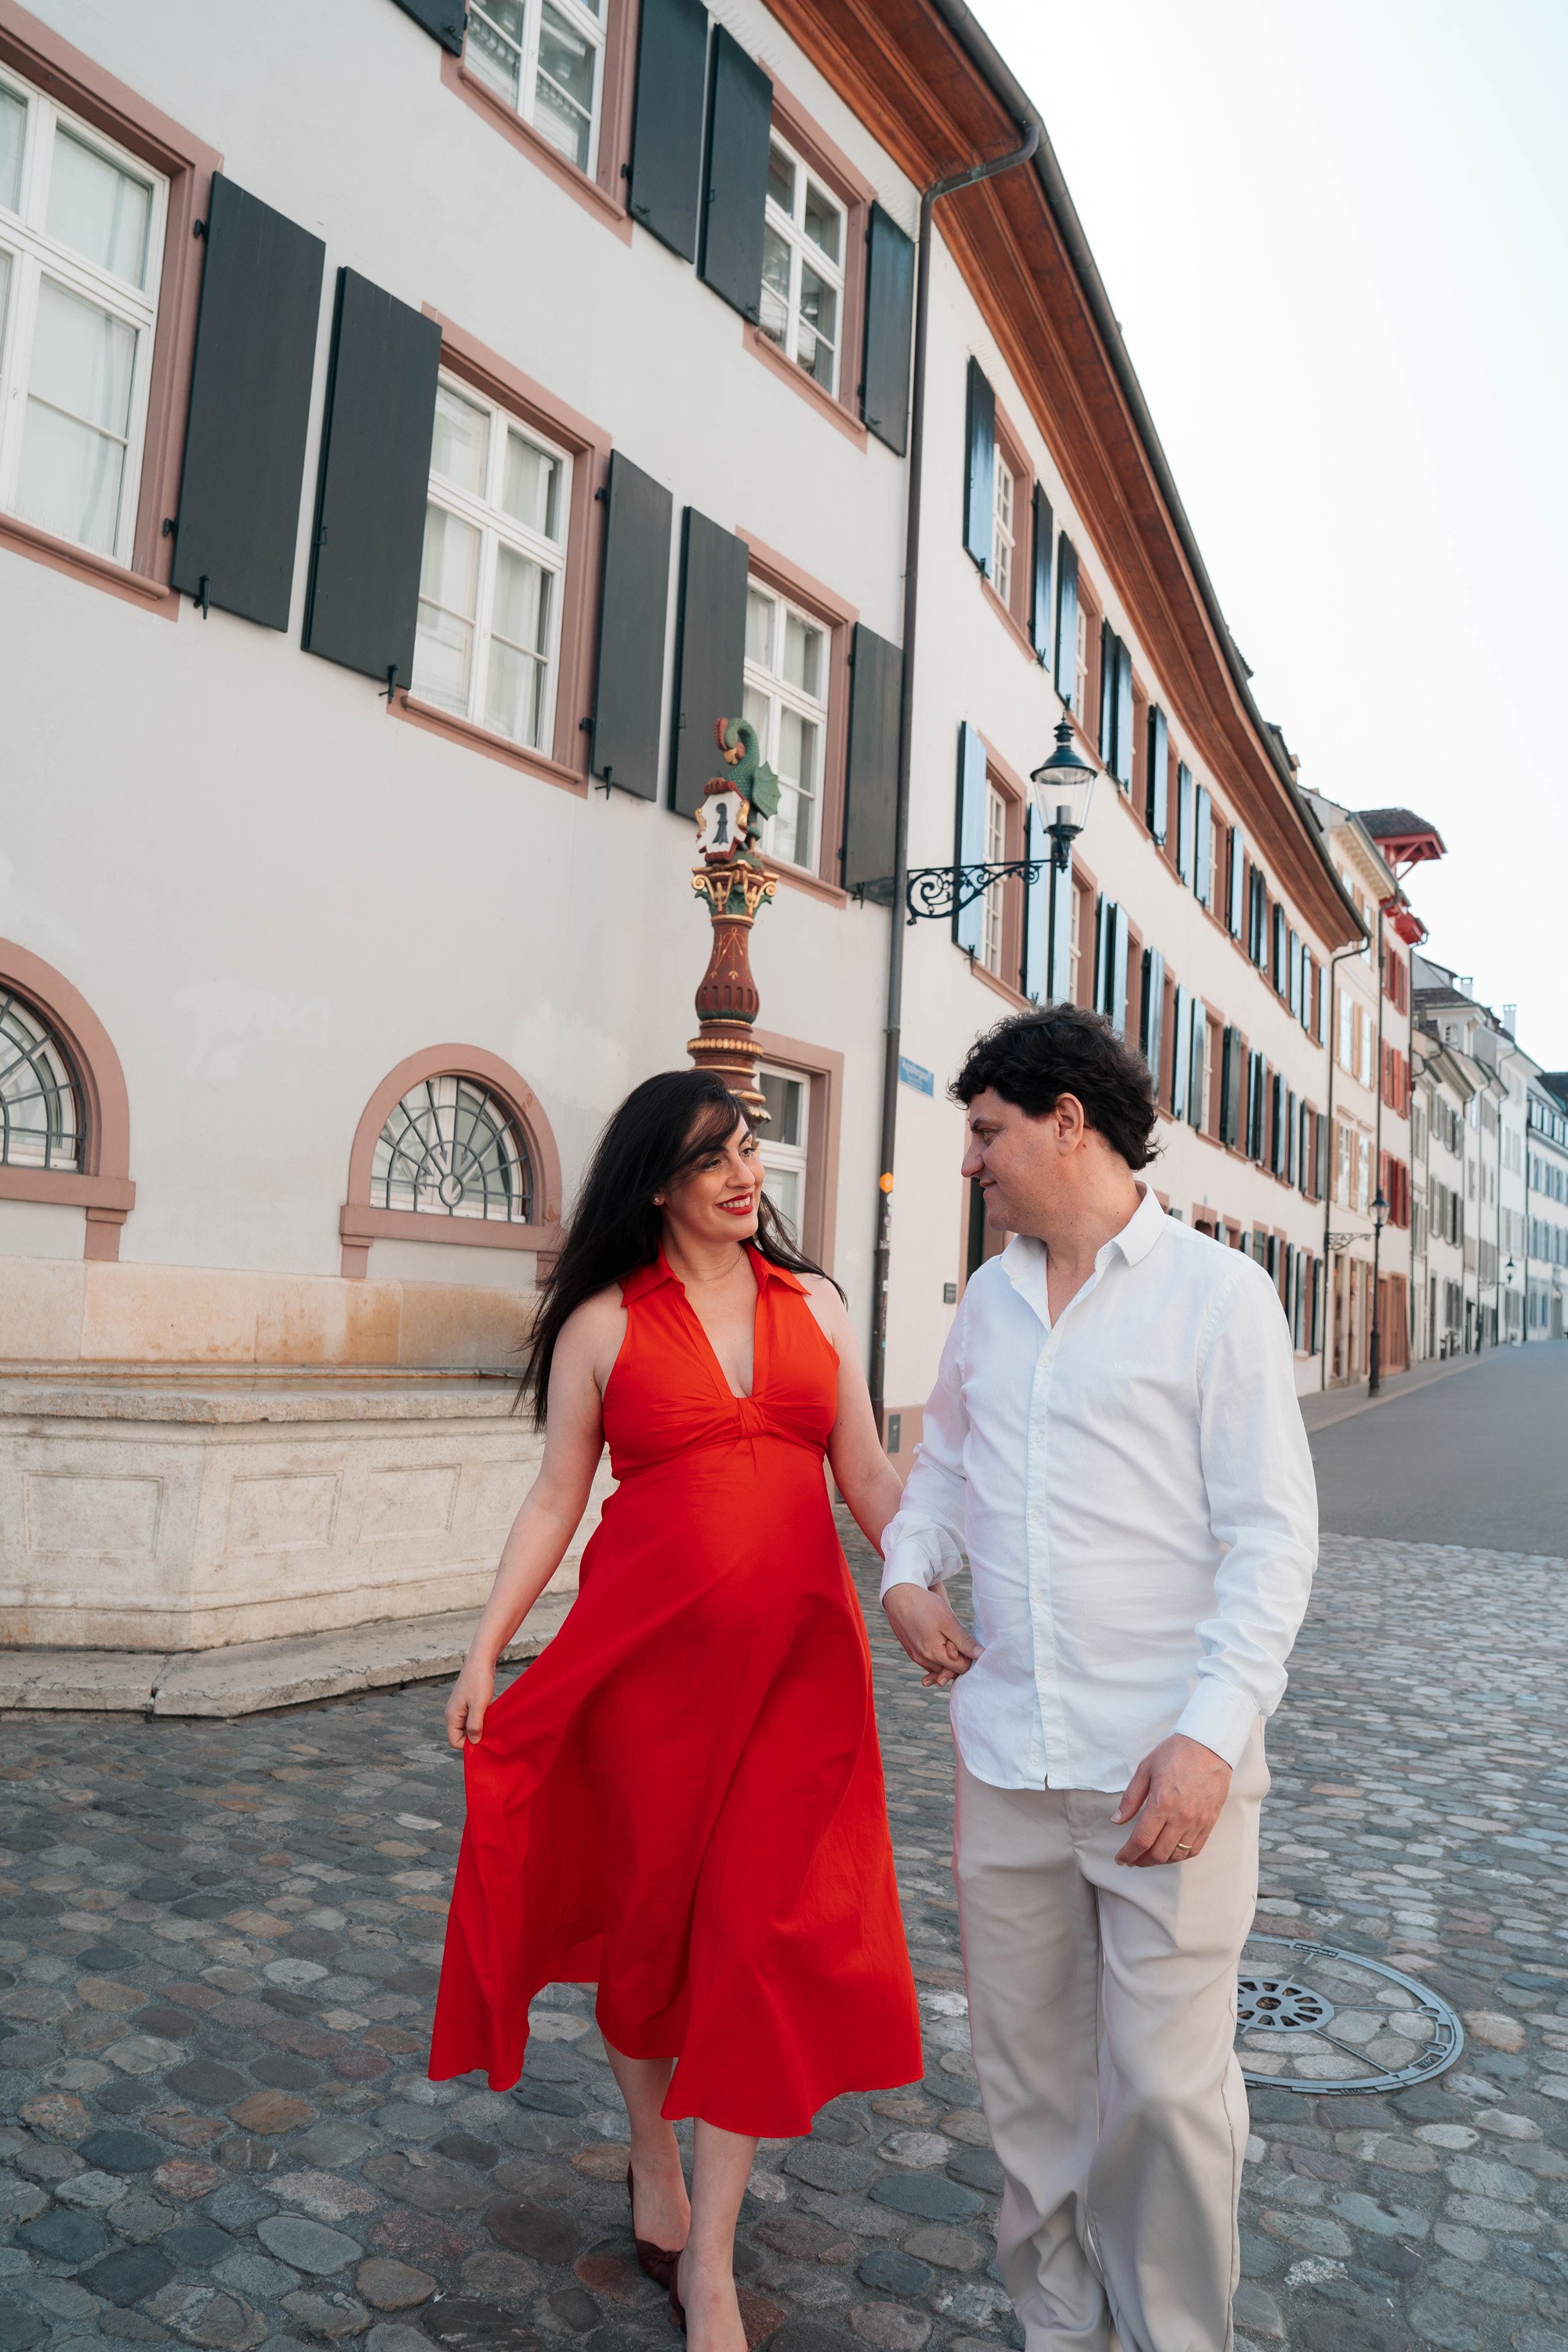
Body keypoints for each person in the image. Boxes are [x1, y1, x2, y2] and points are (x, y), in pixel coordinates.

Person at [430, 1069, 922, 2352]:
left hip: (798, 1687)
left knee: (756, 1943)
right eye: (713, 1159)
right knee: (651, 1942)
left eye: (750, 1146)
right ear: (659, 1183)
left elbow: (864, 1466)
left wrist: (913, 1589)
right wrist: (487, 1651)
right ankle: (655, 2155)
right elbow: (555, 1499)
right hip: (645, 1681)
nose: (745, 1174)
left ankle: (710, 2256)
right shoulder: (600, 1322)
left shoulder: (814, 1300)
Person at [880, 1007, 1317, 2352]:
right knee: (1029, 2095)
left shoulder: (1219, 1296)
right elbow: (942, 1469)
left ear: (1069, 1121)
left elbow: (1270, 1537)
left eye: (987, 1131)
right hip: (1010, 1765)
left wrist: (1209, 1737)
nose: (971, 1162)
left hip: (1164, 1772)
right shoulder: (991, 1305)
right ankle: (1058, 2332)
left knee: (1172, 2100)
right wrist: (906, 1570)